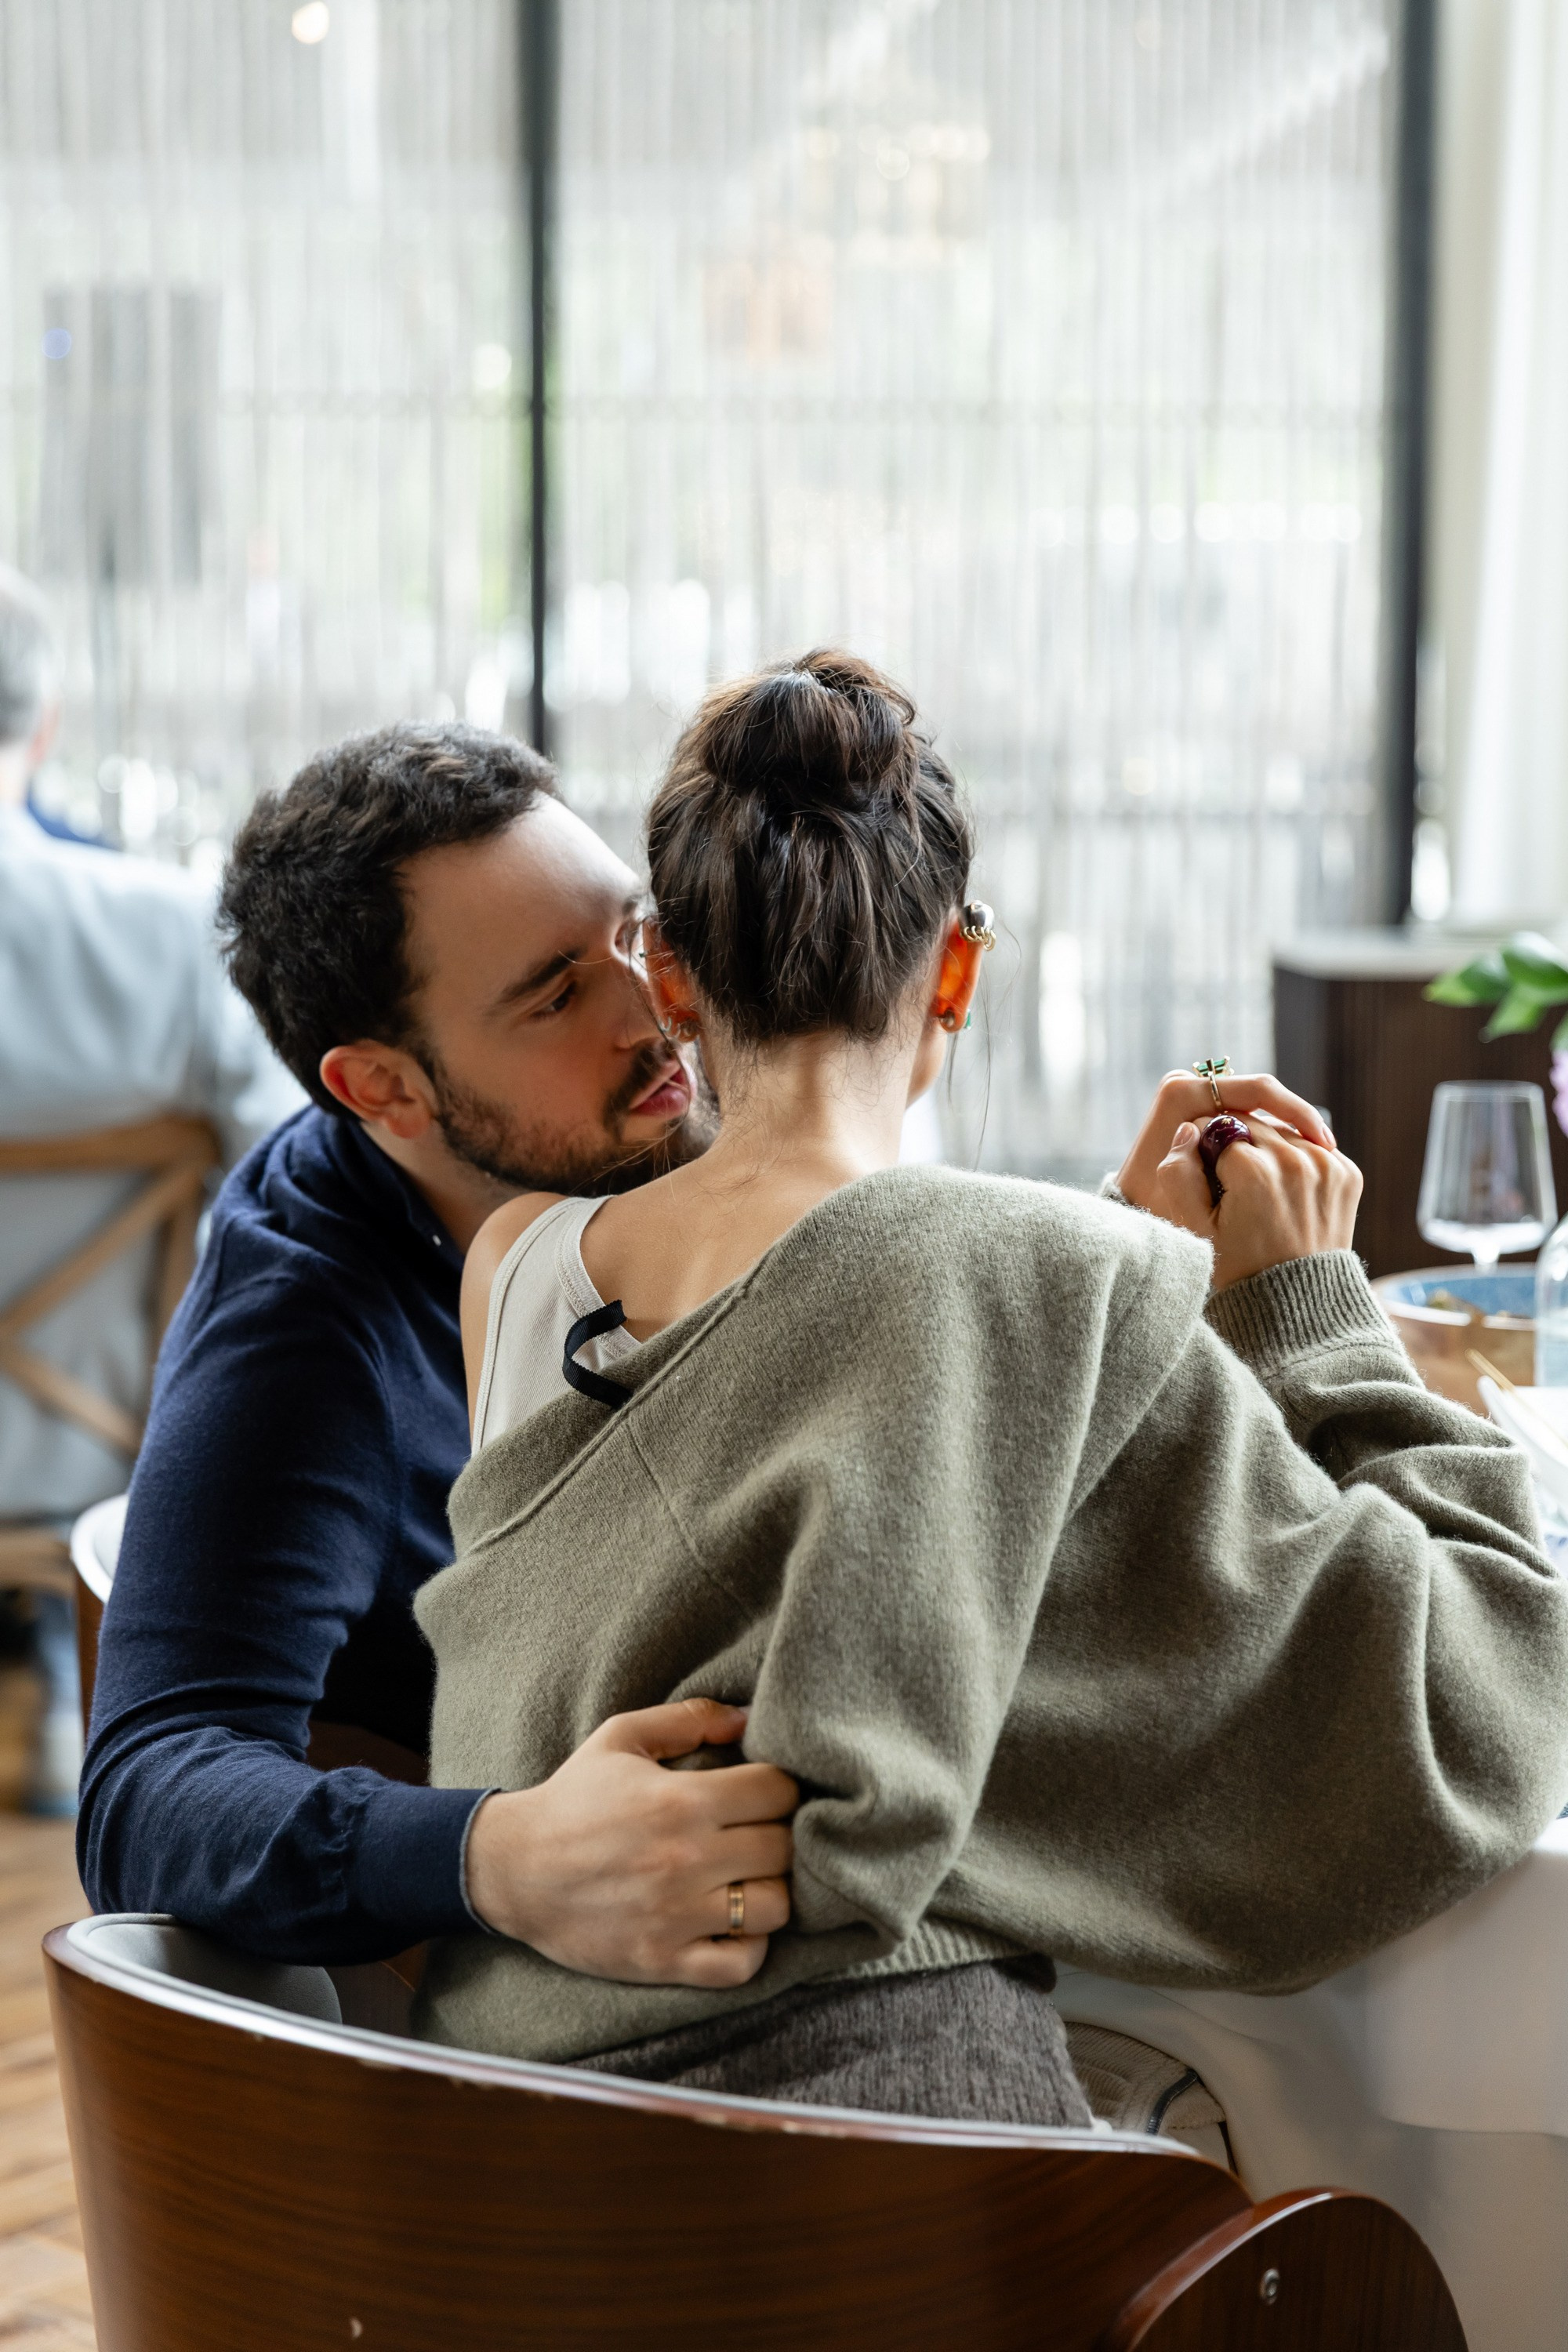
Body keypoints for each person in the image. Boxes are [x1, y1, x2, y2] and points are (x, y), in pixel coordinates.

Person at [416, 649, 1568, 2125]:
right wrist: (1302, 1309)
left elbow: (848, 1512)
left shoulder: (516, 1269)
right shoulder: (1038, 1275)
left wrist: (1108, 1301)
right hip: (893, 2173)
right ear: (958, 965)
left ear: (672, 977)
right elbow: (1476, 1699)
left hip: (499, 2158)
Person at [78, 723, 797, 1973]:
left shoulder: (678, 1132)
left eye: (633, 933)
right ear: (384, 1093)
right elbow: (150, 1793)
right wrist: (500, 1855)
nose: (657, 1013)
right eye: (558, 993)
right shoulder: (306, 1332)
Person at [0, 564, 300, 1812]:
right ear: (46, 723)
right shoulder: (181, 940)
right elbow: (291, 1192)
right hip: (100, 1457)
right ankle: (78, 1677)